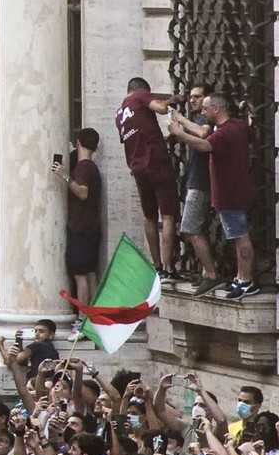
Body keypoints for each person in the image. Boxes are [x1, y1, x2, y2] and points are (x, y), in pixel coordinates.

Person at [168, 92, 258, 300]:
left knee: (240, 237)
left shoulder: (225, 132)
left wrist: (178, 133)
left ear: (216, 109)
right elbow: (255, 134)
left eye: (205, 109)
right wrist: (250, 116)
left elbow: (205, 145)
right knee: (237, 237)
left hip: (230, 194)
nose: (202, 112)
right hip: (235, 192)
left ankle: (246, 281)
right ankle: (240, 277)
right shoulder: (238, 126)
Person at [115, 77, 179, 277]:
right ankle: (168, 267)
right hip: (157, 162)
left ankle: (157, 265)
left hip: (138, 168)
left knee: (149, 216)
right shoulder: (141, 95)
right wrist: (172, 101)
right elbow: (159, 108)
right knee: (168, 216)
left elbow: (131, 139)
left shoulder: (119, 115)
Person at [53, 126, 104, 307]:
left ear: (78, 143)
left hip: (80, 228)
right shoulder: (92, 168)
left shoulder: (83, 167)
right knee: (90, 274)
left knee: (80, 276)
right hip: (91, 228)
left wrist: (64, 176)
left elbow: (83, 193)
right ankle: (93, 316)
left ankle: (82, 317)